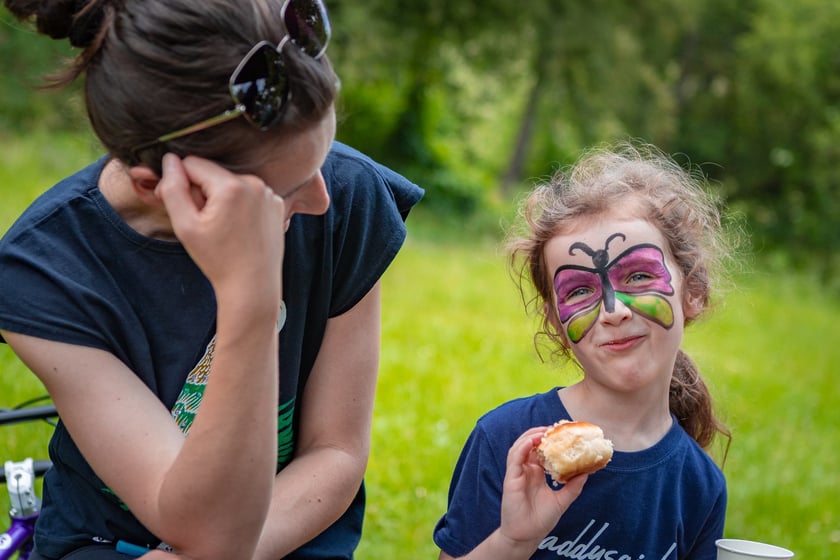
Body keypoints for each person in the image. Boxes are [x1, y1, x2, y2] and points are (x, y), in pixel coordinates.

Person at [0, 1, 422, 559]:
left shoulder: (346, 196)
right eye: (288, 186)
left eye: (323, 160)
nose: (322, 199)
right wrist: (248, 299)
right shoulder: (45, 270)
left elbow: (335, 452)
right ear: (163, 186)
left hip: (285, 533)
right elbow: (207, 527)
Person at [433, 142, 733, 560]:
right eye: (579, 291)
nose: (612, 310)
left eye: (639, 275)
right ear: (556, 322)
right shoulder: (509, 441)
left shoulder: (700, 487)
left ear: (694, 291)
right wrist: (514, 541)